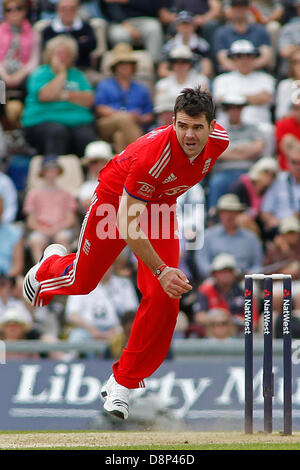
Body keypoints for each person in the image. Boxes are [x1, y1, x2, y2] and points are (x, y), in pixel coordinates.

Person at [22, 86, 229, 420]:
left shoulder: (221, 141)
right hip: (115, 203)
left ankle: (122, 382)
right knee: (83, 281)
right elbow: (128, 223)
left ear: (212, 126)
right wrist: (161, 268)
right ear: (173, 122)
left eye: (197, 127)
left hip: (159, 207)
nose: (189, 135)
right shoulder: (153, 157)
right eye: (182, 125)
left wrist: (163, 276)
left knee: (166, 297)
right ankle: (50, 266)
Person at [21, 35, 97, 157]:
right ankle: (53, 169)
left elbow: (89, 99)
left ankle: (89, 173)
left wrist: (62, 95)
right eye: (59, 53)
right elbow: (45, 96)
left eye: (67, 54)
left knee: (86, 137)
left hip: (78, 122)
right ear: (50, 55)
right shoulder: (40, 73)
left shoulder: (78, 75)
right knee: (57, 131)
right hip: (43, 121)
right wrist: (61, 74)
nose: (63, 57)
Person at [213, 39, 276, 156]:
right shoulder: (222, 79)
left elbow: (266, 97)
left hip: (258, 125)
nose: (244, 60)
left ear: (254, 57)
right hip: (229, 126)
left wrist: (234, 97)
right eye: (239, 56)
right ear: (232, 59)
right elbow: (220, 100)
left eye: (248, 56)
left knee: (268, 130)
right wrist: (253, 98)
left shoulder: (265, 78)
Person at [207, 93, 265, 209]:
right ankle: (213, 218)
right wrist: (245, 150)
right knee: (216, 183)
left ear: (242, 109)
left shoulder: (253, 128)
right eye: (231, 107)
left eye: (238, 107)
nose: (234, 111)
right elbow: (214, 152)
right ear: (226, 110)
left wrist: (229, 150)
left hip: (250, 172)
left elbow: (258, 148)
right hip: (224, 172)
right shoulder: (216, 129)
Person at [94, 43, 154, 154]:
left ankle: (125, 167)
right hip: (108, 123)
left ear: (133, 67)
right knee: (124, 119)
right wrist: (124, 115)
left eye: (128, 64)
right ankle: (142, 153)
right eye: (121, 64)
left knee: (120, 136)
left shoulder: (141, 88)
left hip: (134, 124)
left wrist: (139, 118)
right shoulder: (105, 85)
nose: (124, 67)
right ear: (115, 67)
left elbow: (149, 114)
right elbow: (100, 108)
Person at [23, 155, 78, 263]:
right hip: (41, 229)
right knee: (36, 240)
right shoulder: (33, 194)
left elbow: (71, 218)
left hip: (61, 228)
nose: (51, 172)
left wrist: (56, 228)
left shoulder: (66, 194)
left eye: (54, 169)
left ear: (58, 172)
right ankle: (39, 272)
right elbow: (30, 220)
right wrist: (43, 229)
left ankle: (62, 270)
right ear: (43, 172)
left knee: (62, 238)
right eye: (48, 169)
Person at [195, 193, 264, 278]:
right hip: (215, 281)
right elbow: (202, 262)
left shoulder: (251, 238)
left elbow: (258, 264)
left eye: (233, 212)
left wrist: (251, 274)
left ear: (239, 214)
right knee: (206, 288)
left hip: (243, 281)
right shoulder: (208, 236)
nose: (229, 216)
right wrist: (214, 275)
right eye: (225, 212)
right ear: (220, 214)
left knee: (252, 289)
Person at [214, 0, 273, 73]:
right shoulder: (222, 32)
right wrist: (240, 68)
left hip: (256, 73)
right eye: (236, 7)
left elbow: (266, 56)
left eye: (242, 7)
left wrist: (247, 67)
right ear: (231, 9)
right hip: (231, 74)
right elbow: (222, 58)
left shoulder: (260, 30)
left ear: (248, 9)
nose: (239, 10)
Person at [0, 0, 40, 108]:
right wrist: (4, 75)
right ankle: (2, 116)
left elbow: (34, 61)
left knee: (35, 81)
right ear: (5, 13)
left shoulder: (34, 33)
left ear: (25, 11)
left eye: (18, 8)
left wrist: (21, 74)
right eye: (9, 10)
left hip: (24, 73)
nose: (14, 12)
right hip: (3, 72)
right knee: (0, 86)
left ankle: (29, 116)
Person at [228, 156, 278, 237]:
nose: (269, 176)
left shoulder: (269, 191)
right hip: (238, 223)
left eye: (273, 174)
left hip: (257, 226)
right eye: (266, 172)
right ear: (258, 170)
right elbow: (230, 206)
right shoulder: (241, 186)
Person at [41, 0, 97, 70]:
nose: (68, 12)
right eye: (64, 9)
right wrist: (79, 43)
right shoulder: (48, 30)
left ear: (77, 10)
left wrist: (61, 47)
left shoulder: (86, 27)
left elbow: (92, 45)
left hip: (82, 69)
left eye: (72, 9)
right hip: (54, 70)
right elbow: (47, 50)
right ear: (58, 10)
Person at [157, 10, 213, 79]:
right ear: (177, 26)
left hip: (196, 79)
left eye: (188, 24)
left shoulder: (202, 45)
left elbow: (207, 70)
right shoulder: (169, 46)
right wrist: (180, 77)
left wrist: (193, 78)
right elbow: (162, 71)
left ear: (194, 26)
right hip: (174, 79)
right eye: (182, 24)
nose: (185, 27)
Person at [154, 45, 210, 114]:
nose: (180, 65)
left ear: (190, 63)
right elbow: (160, 107)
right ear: (171, 64)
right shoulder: (162, 84)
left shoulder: (201, 80)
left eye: (184, 62)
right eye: (176, 62)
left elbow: (202, 105)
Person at [260, 151, 300, 235]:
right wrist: (273, 221)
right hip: (280, 226)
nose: (297, 166)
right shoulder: (278, 181)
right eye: (294, 162)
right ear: (287, 163)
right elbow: (265, 212)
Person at [77, 140, 113, 214]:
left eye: (96, 162)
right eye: (91, 163)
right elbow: (87, 205)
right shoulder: (86, 186)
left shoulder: (120, 182)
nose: (93, 166)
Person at [0, 195, 24, 277]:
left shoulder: (15, 232)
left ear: (2, 210)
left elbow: (18, 266)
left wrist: (5, 279)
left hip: (7, 279)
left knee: (20, 283)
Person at [276, 46, 300, 121]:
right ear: (291, 65)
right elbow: (281, 115)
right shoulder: (285, 85)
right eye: (296, 62)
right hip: (291, 126)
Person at [275, 101, 300, 170]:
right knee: (288, 139)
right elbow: (283, 146)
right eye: (296, 108)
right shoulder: (283, 124)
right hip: (286, 170)